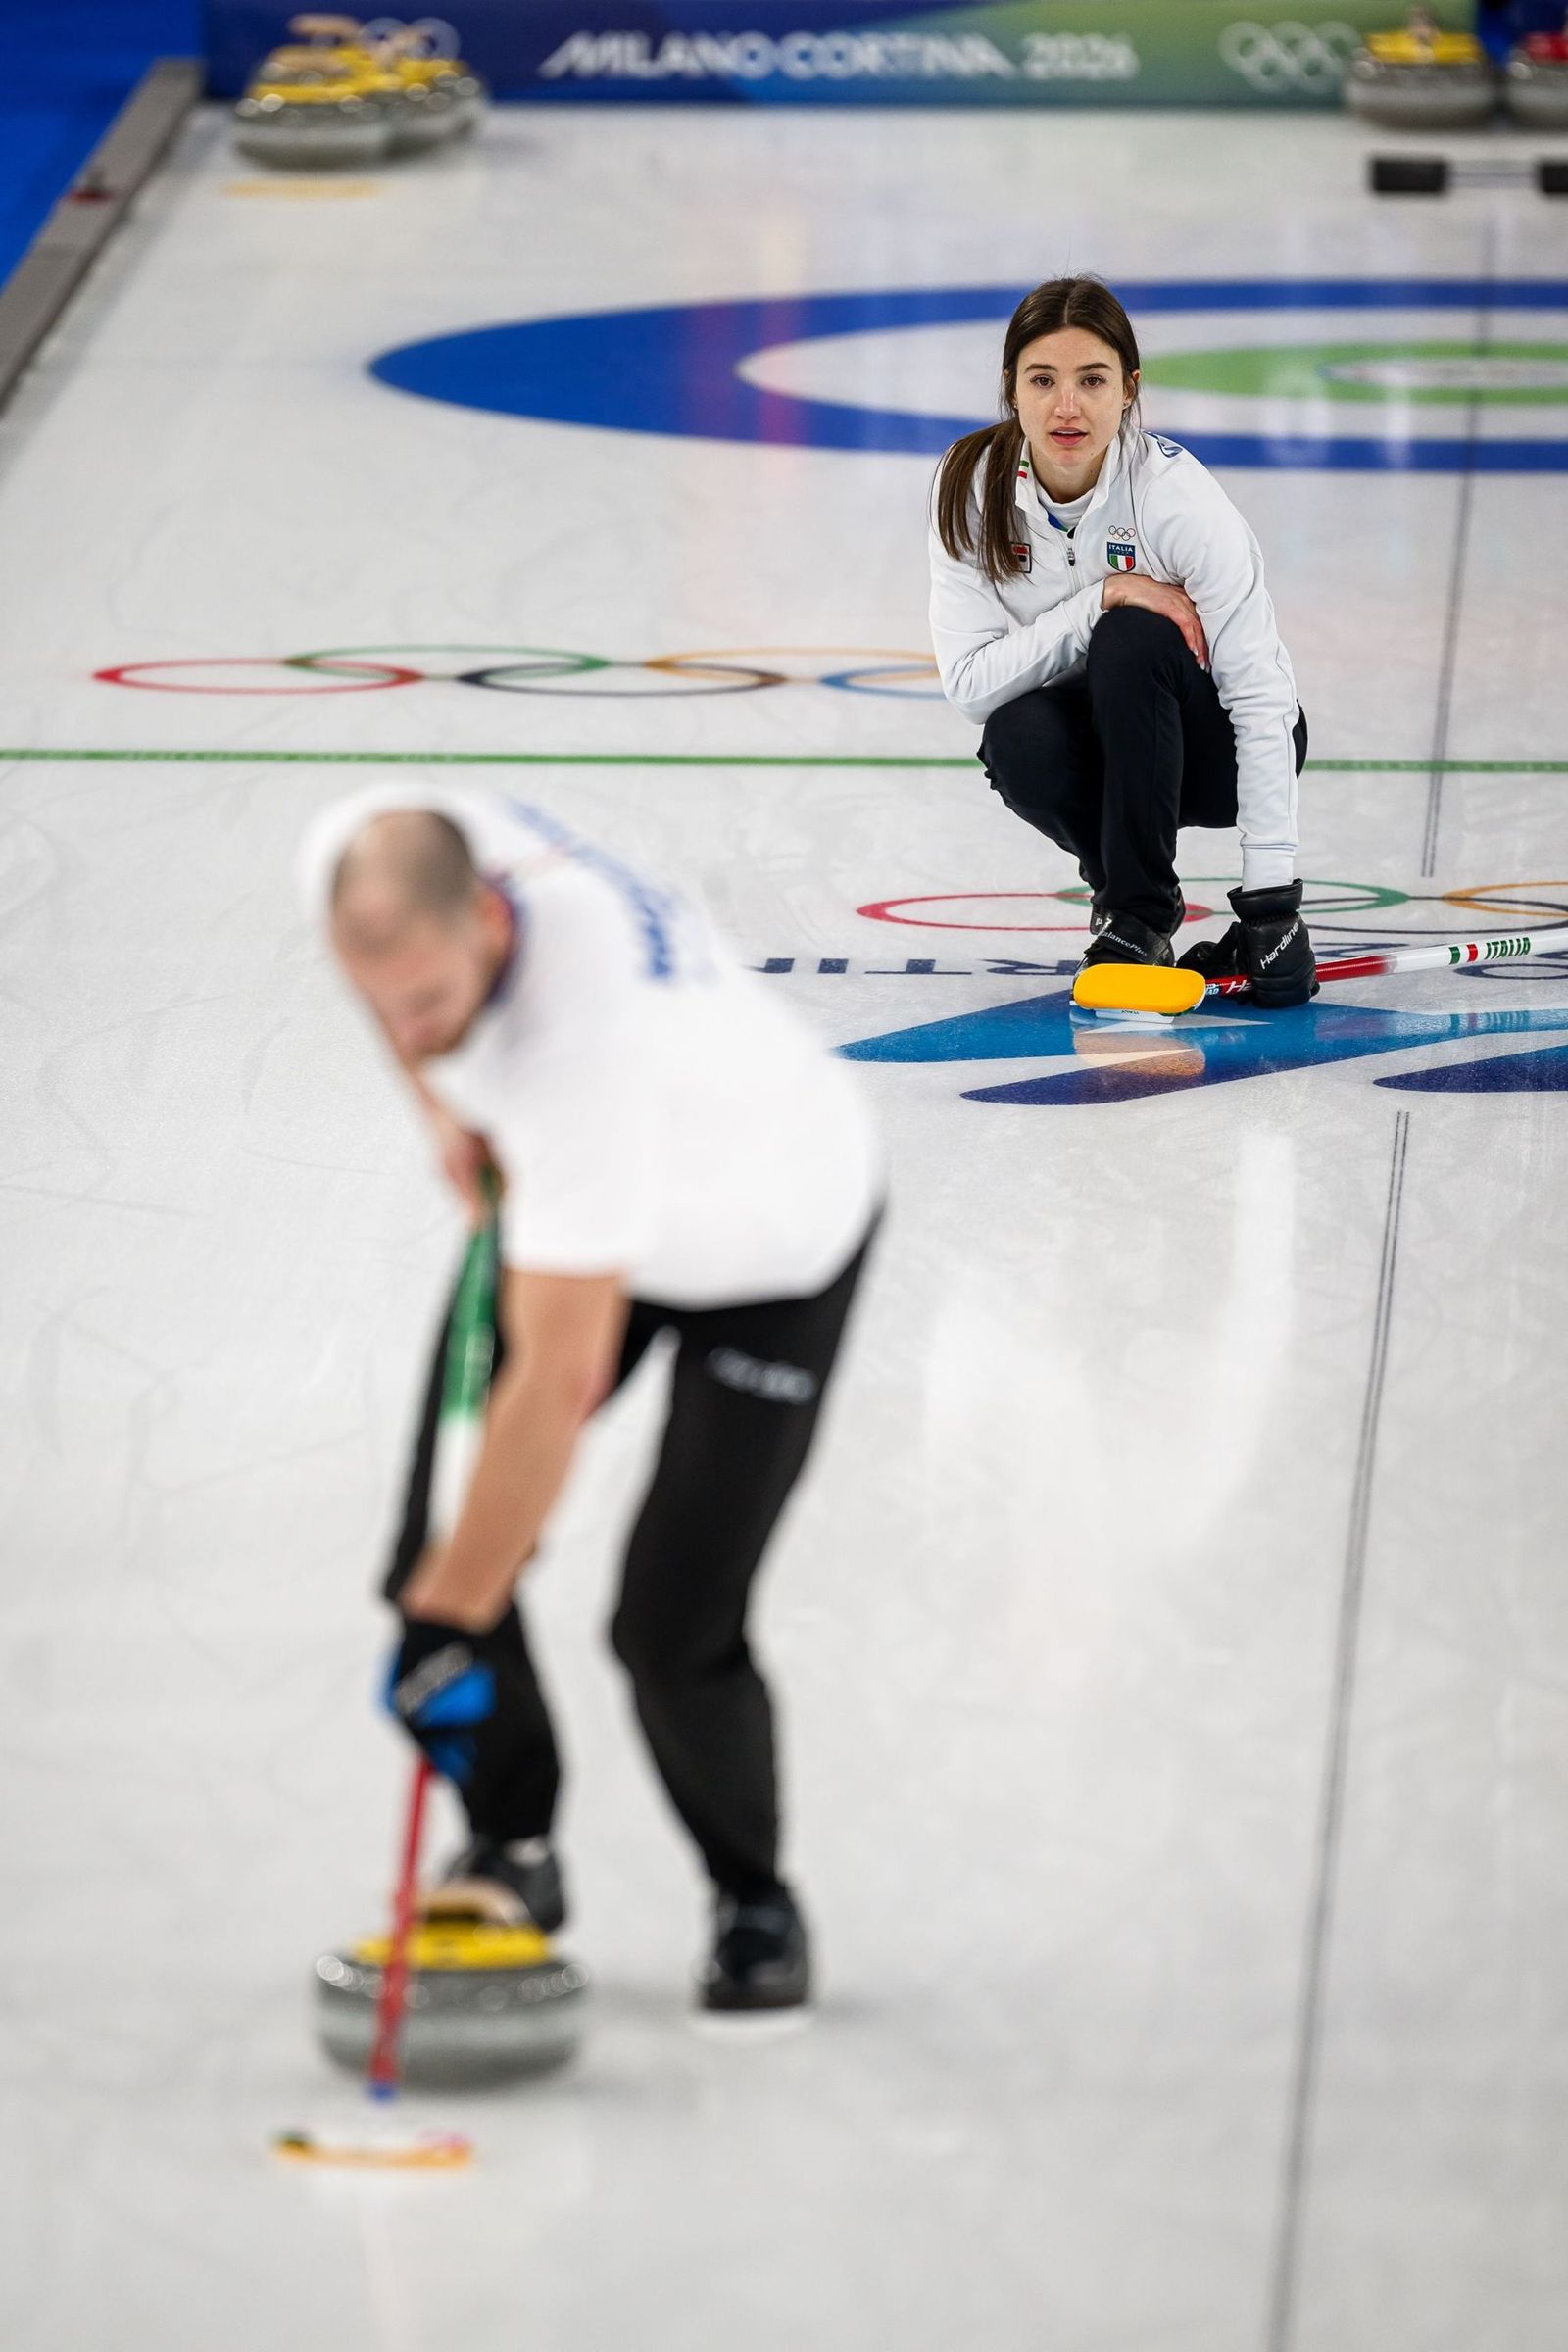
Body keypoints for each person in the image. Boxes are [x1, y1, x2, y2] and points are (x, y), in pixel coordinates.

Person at [299, 786, 883, 2017]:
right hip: (584, 1208)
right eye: (387, 1005)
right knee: (438, 1554)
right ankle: (515, 1848)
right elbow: (395, 998)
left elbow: (554, 1385)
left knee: (666, 1625)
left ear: (493, 928)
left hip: (771, 1248)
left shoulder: (579, 1056)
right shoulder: (384, 851)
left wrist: (451, 1617)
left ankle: (753, 1897)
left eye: (433, 1006)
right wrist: (443, 1107)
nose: (408, 1033)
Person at [928, 274, 1315, 1004]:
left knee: (1134, 637)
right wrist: (1098, 597)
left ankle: (1136, 912)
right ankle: (1134, 909)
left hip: (1213, 752)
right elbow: (971, 685)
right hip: (1106, 756)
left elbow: (1262, 699)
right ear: (1011, 387)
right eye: (1043, 379)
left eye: (1093, 380)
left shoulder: (1176, 499)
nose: (1066, 406)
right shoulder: (969, 485)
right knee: (1017, 736)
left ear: (1129, 390)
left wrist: (1272, 906)